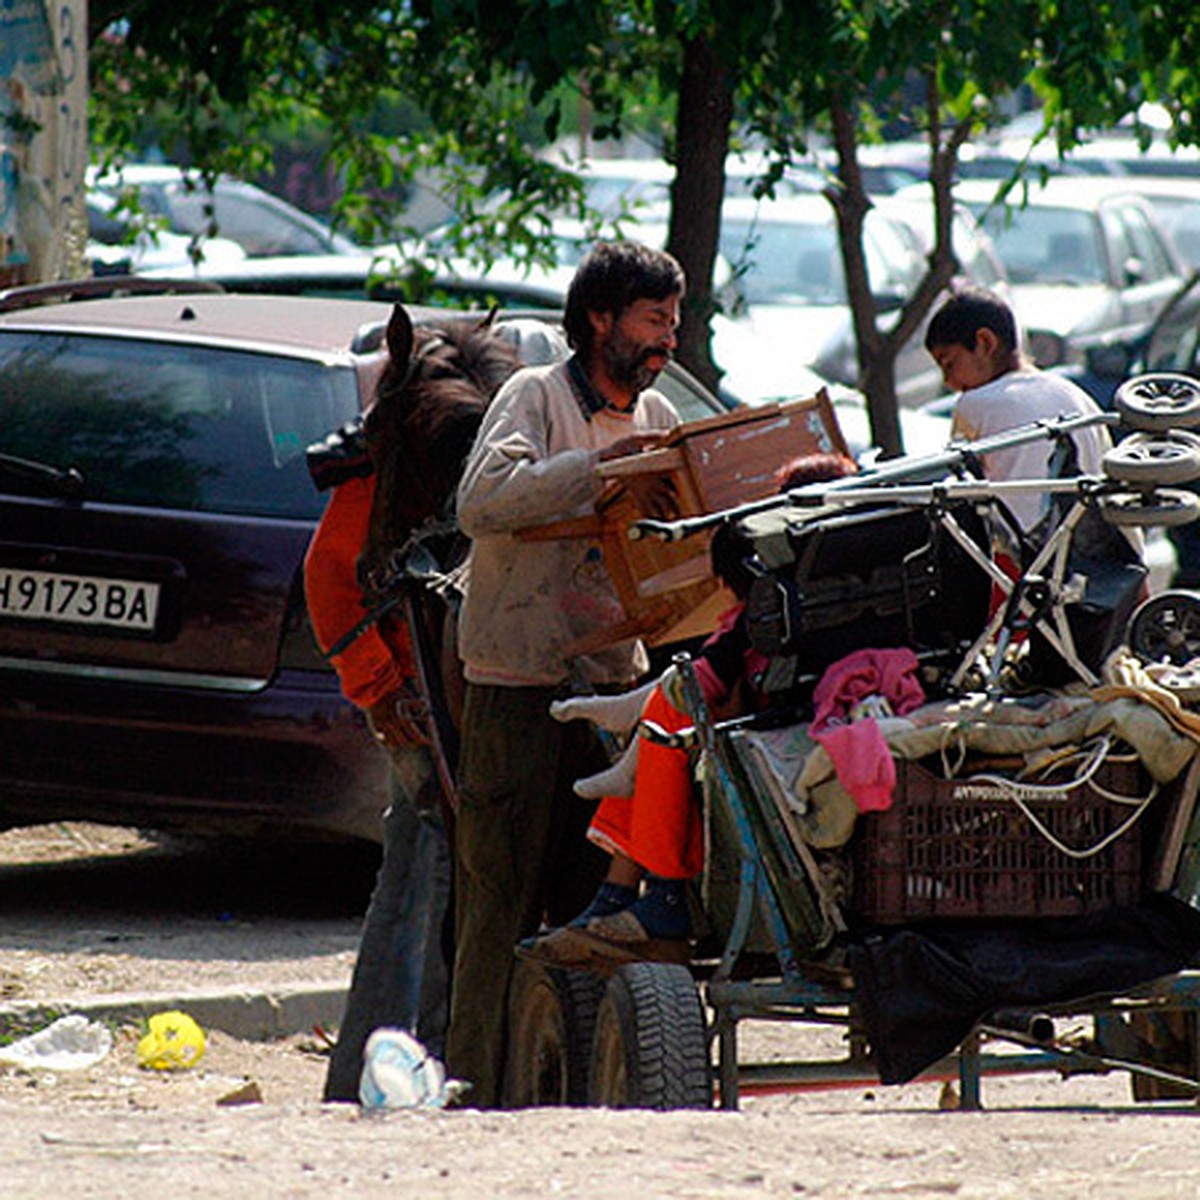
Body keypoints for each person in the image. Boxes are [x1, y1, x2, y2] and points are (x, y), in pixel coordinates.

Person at [447, 240, 688, 1107]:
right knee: (497, 904)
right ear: (600, 319)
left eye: (673, 320)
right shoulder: (534, 394)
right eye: (653, 319)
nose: (667, 335)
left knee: (593, 915)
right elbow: (482, 502)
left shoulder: (659, 413)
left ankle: (574, 1093)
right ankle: (472, 1091)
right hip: (516, 681)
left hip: (610, 687)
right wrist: (602, 473)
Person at [518, 452, 859, 969]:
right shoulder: (857, 580)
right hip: (787, 709)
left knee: (672, 720)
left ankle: (657, 899)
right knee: (674, 714)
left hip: (777, 724)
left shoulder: (793, 596)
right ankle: (618, 897)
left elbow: (718, 676)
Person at [924, 285, 1113, 542]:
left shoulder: (975, 404)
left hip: (1023, 565)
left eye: (949, 363)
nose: (948, 381)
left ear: (984, 343)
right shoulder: (1076, 396)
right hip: (1100, 563)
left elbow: (963, 497)